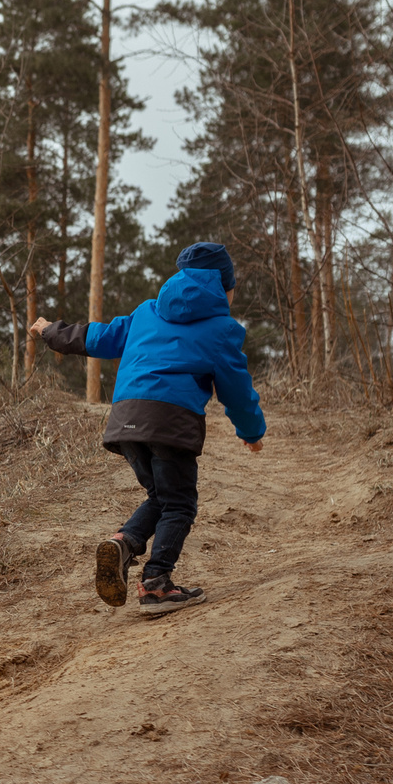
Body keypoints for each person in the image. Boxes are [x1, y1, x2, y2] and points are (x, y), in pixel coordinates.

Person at [30, 240, 266, 616]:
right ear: (225, 287)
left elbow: (98, 337)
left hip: (125, 421)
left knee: (161, 496)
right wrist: (252, 432)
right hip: (171, 421)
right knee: (181, 504)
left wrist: (51, 332)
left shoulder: (146, 312)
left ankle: (124, 541)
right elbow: (236, 391)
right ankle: (156, 585)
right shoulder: (223, 329)